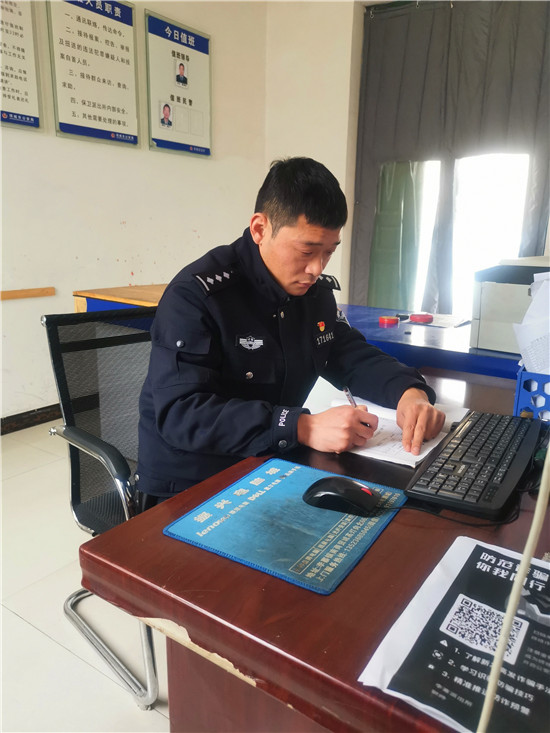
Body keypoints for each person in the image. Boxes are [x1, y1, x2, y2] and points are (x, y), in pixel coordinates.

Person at [137, 157, 445, 505]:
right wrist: (302, 426)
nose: (316, 268)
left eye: (328, 252)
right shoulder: (197, 296)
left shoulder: (313, 294)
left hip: (269, 463)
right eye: (306, 251)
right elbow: (181, 414)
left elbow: (349, 355)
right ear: (260, 229)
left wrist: (409, 392)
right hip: (190, 481)